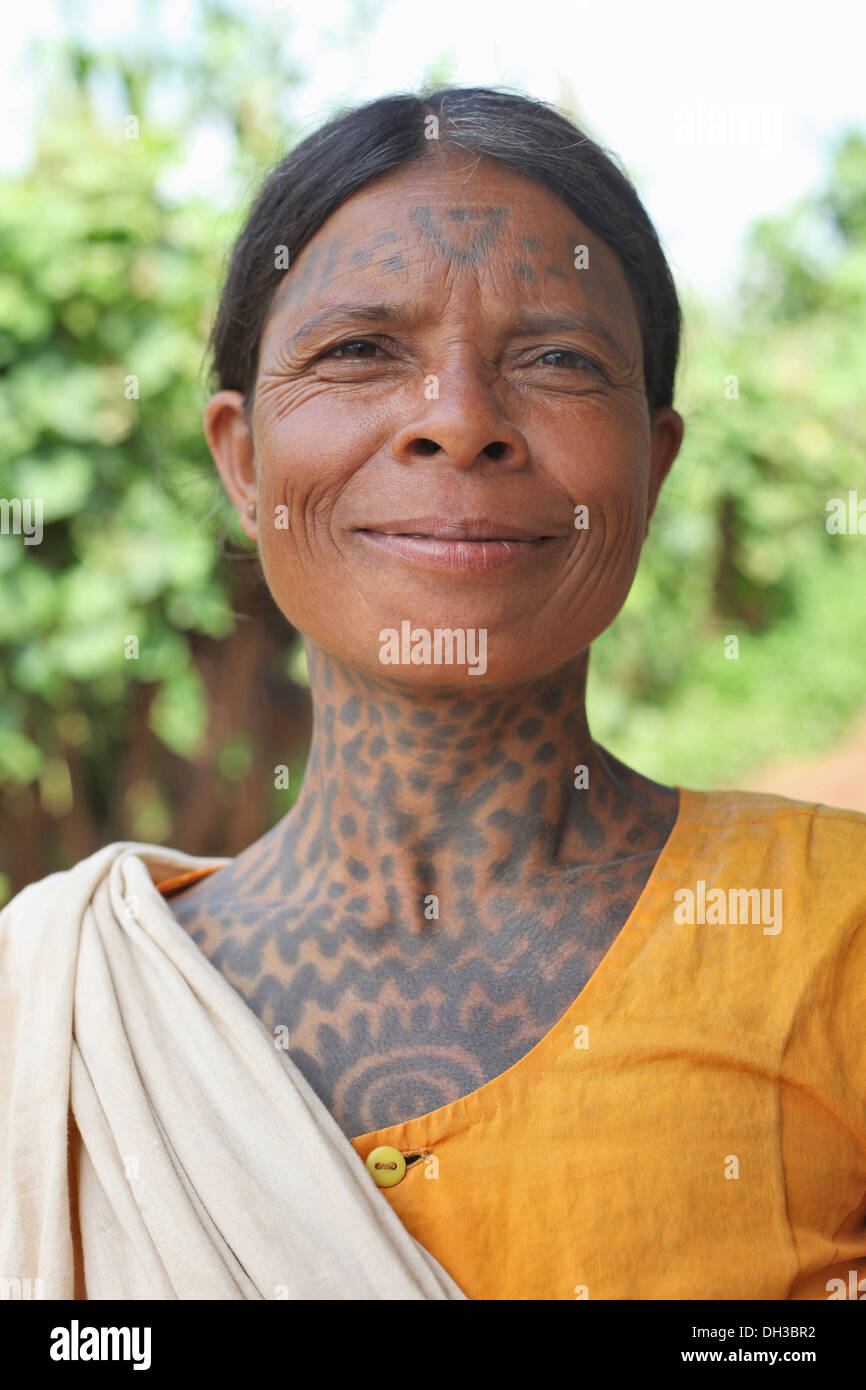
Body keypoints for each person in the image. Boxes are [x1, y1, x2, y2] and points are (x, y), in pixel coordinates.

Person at [2, 87, 865, 1302]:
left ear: (649, 464)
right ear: (243, 462)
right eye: (359, 351)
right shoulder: (50, 1016)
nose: (458, 422)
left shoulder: (836, 932)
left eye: (557, 359)